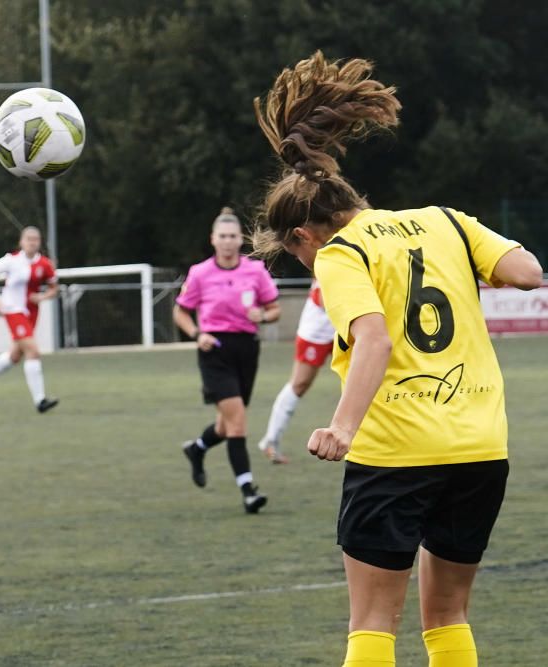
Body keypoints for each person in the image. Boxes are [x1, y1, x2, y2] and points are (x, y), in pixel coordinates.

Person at [251, 51, 543, 667]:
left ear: (305, 235)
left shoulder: (339, 253)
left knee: (374, 624)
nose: (304, 266)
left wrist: (342, 428)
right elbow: (527, 271)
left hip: (395, 454)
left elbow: (375, 339)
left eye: (294, 255)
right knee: (448, 618)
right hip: (479, 448)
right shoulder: (445, 221)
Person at [175, 207, 281, 514]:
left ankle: (197, 449)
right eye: (222, 236)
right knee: (238, 422)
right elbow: (180, 311)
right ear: (213, 239)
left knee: (226, 424)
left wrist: (262, 315)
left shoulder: (255, 271)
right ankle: (248, 491)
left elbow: (275, 310)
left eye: (233, 236)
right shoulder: (200, 273)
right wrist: (197, 334)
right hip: (215, 349)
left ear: (240, 239)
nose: (228, 241)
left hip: (247, 349)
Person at [0, 226, 60, 413]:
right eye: (28, 239)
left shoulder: (44, 264)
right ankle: (40, 401)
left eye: (35, 239)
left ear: (39, 243)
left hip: (32, 313)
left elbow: (54, 288)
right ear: (21, 242)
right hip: (13, 311)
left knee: (15, 355)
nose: (32, 242)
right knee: (33, 351)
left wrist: (42, 297)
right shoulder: (10, 261)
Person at [257, 279, 335, 464]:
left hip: (344, 328)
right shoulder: (329, 254)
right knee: (299, 385)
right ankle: (271, 440)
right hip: (317, 332)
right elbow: (328, 300)